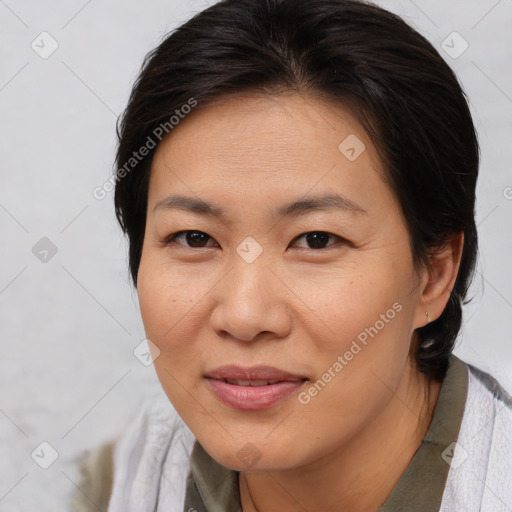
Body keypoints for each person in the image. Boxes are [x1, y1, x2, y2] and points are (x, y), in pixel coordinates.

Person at [70, 0, 512, 510]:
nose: (244, 315)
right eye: (195, 238)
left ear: (435, 275)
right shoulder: (106, 485)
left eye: (316, 240)